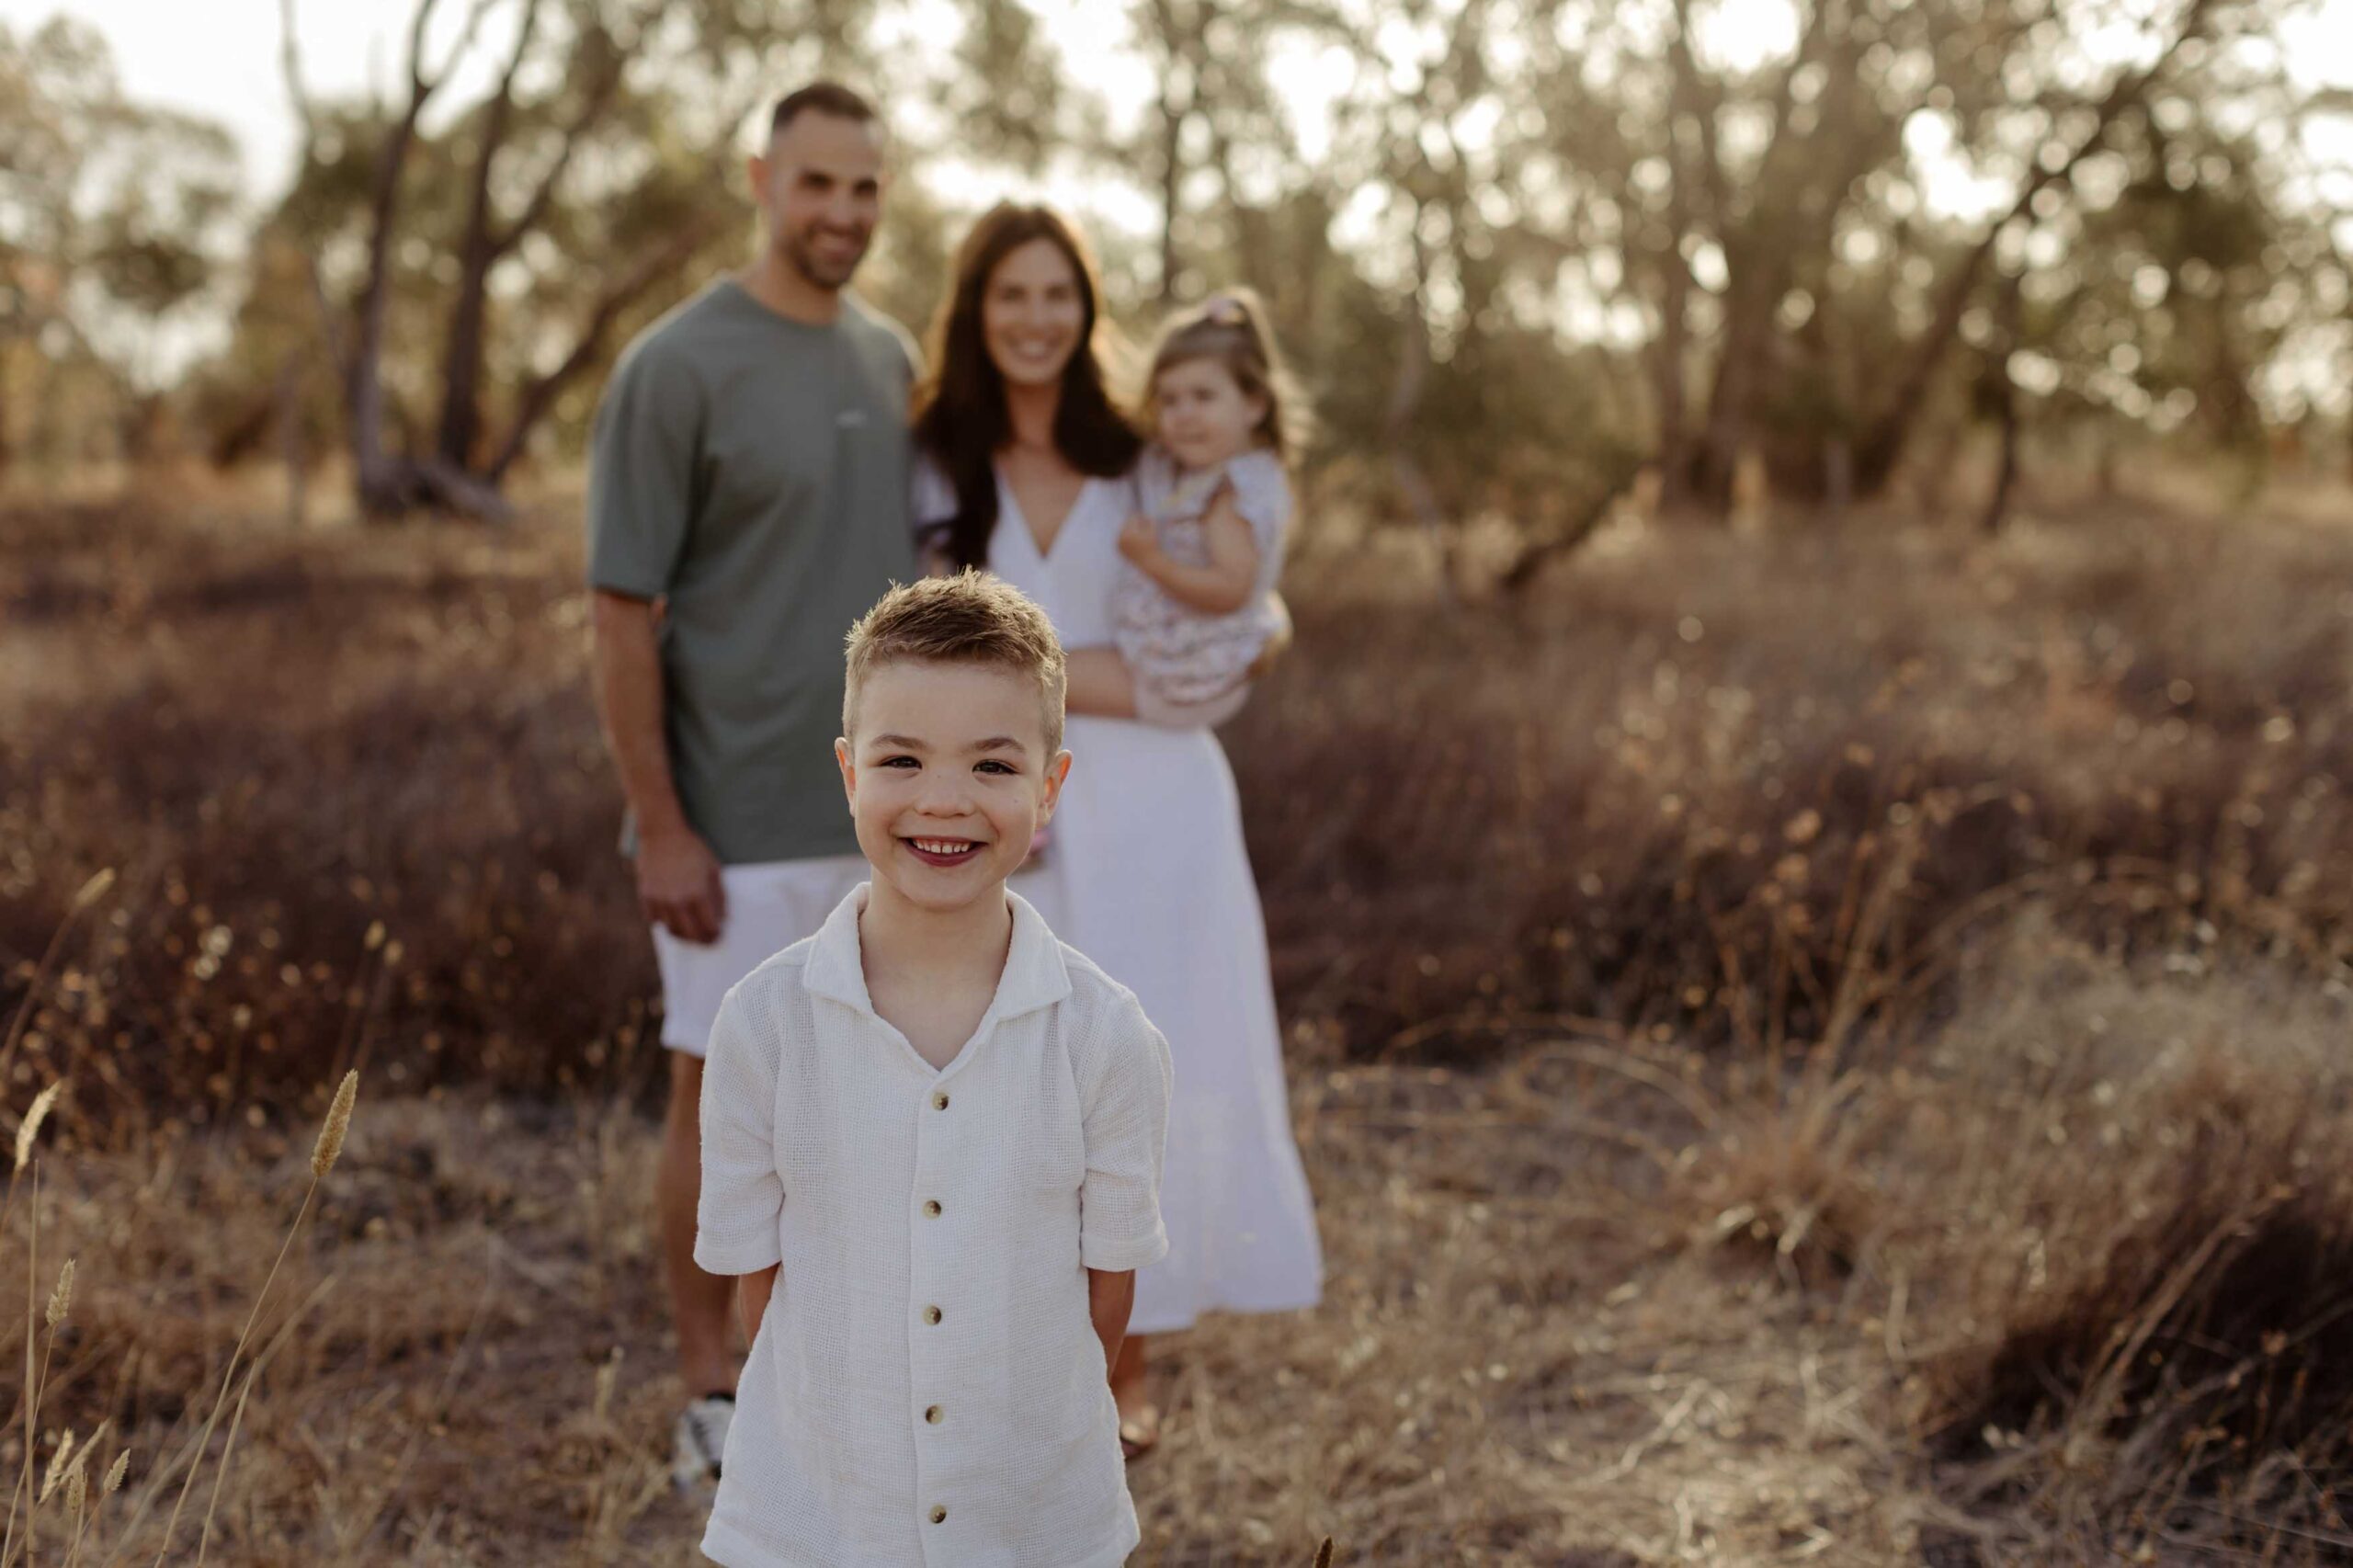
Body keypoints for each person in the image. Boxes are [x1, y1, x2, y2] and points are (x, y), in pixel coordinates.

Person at [911, 205, 1323, 1460]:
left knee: (1133, 1084)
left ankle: (1118, 1361)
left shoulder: (1143, 452)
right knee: (996, 1086)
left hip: (1158, 809)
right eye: (1011, 296)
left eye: (1060, 296)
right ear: (976, 311)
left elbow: (1242, 607)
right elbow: (915, 645)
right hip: (993, 804)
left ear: (1089, 314)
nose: (1037, 320)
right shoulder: (929, 462)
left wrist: (1260, 630)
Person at [694, 573, 1174, 1568]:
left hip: (1035, 1517)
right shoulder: (762, 1025)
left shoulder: (1107, 1036)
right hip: (820, 1517)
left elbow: (1106, 1300)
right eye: (901, 758)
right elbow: (760, 1287)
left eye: (993, 765)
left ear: (1049, 784)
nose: (943, 801)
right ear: (847, 771)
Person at [584, 80, 918, 1487]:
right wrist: (663, 822)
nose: (839, 212)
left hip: (896, 825)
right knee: (719, 1107)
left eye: (864, 188)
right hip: (730, 821)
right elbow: (617, 612)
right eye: (815, 183)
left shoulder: (898, 362)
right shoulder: (676, 366)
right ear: (759, 179)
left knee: (883, 1113)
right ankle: (711, 1388)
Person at [1069, 288, 1299, 731]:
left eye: (1203, 397)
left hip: (1186, 674)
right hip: (1175, 661)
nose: (1184, 414)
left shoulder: (1229, 496)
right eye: (1169, 400)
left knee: (1040, 677)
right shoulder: (1208, 471)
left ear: (1255, 404)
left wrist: (1152, 561)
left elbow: (1229, 589)